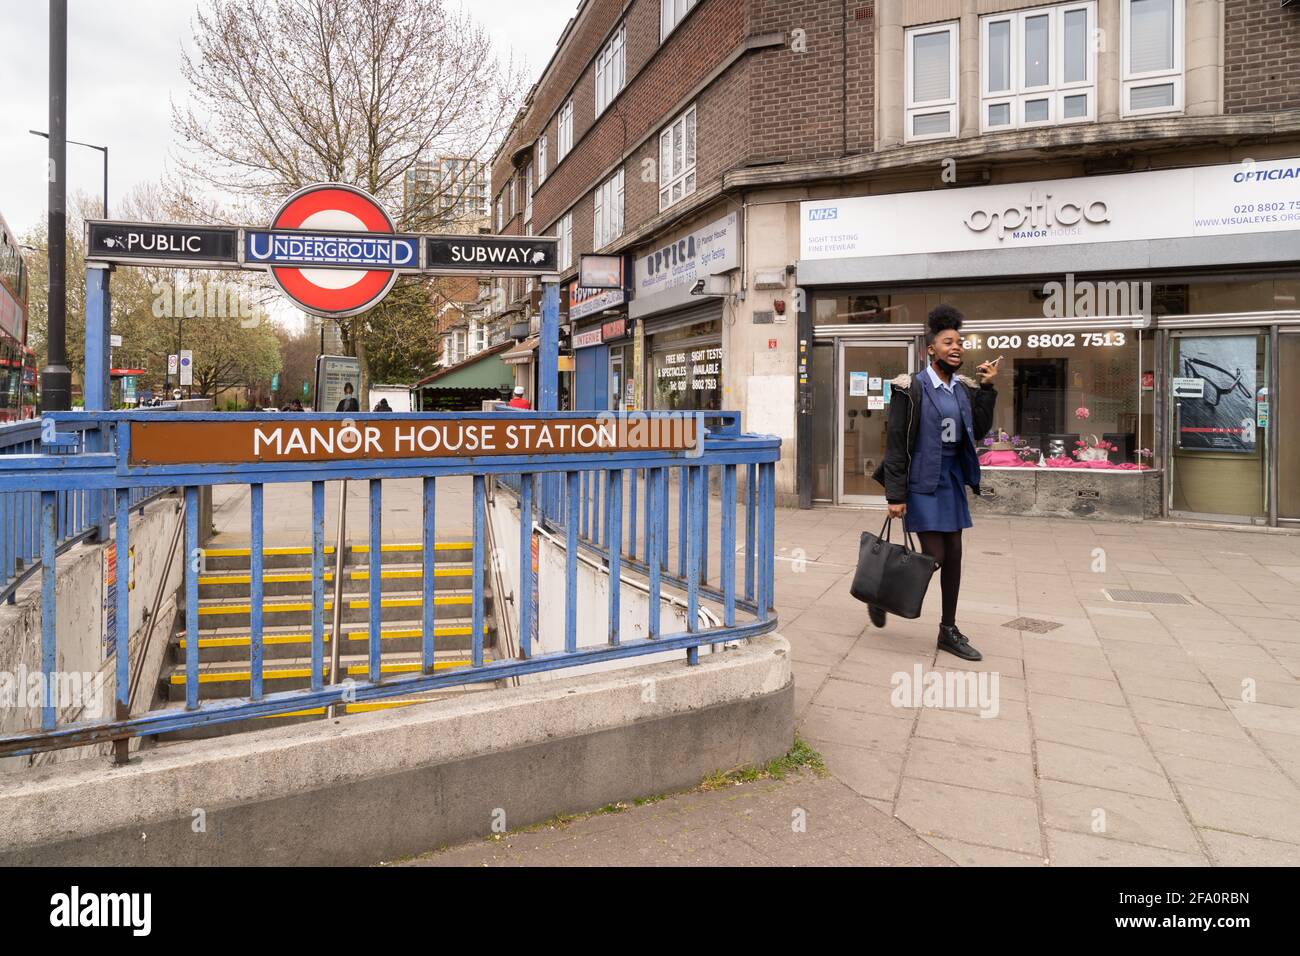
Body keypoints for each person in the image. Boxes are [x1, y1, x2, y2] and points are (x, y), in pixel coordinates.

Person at [870, 305, 999, 661]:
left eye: (959, 342)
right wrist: (895, 494)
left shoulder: (964, 390)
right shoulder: (911, 388)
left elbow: (980, 429)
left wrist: (987, 388)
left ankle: (948, 630)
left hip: (951, 481)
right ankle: (882, 592)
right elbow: (896, 443)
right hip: (922, 482)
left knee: (954, 555)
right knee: (934, 556)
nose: (956, 347)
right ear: (931, 349)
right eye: (947, 342)